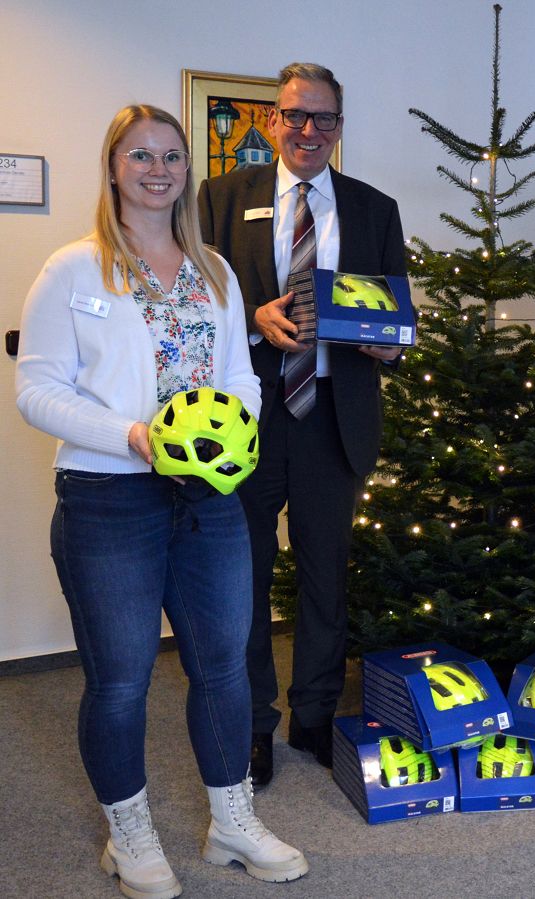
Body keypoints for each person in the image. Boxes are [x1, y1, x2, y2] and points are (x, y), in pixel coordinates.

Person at [15, 105, 308, 899]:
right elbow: (36, 391)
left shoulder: (212, 268)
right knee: (121, 679)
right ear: (113, 167)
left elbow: (241, 378)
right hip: (109, 500)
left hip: (208, 499)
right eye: (140, 155)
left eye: (172, 156)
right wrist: (134, 435)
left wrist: (235, 433)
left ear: (188, 170)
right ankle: (129, 833)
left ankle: (231, 822)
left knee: (224, 666)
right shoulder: (74, 269)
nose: (158, 169)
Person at [198, 62, 407, 787]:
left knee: (325, 577)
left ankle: (314, 713)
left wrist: (388, 342)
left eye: (323, 119)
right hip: (248, 420)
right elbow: (198, 304)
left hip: (333, 418)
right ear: (272, 122)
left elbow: (394, 318)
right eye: (295, 115)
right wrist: (250, 317)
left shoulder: (374, 208)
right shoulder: (222, 198)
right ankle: (255, 724)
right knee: (244, 579)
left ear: (340, 128)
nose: (308, 130)